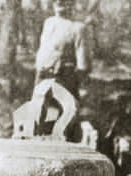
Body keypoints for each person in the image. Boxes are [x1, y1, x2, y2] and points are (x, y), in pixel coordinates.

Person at [29, 0, 92, 139]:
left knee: (65, 120)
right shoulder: (48, 23)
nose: (58, 2)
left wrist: (81, 86)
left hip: (64, 80)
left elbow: (83, 65)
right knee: (39, 121)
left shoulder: (78, 28)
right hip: (42, 80)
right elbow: (42, 56)